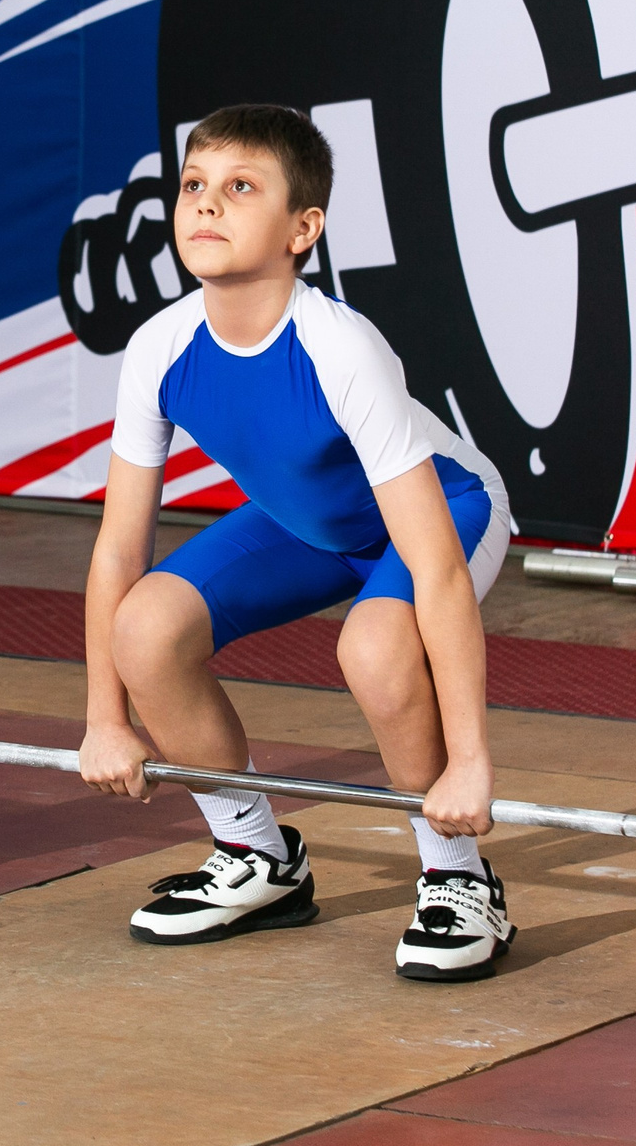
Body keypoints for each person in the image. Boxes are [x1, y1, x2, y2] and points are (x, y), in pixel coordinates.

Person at [77, 103, 516, 980]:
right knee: (144, 627)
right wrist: (104, 719)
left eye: (240, 188)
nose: (206, 205)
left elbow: (433, 565)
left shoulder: (341, 348)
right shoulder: (160, 347)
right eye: (195, 186)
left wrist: (470, 762)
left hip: (449, 510)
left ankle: (459, 877)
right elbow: (118, 552)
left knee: (377, 649)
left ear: (301, 229)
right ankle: (258, 858)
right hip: (308, 526)